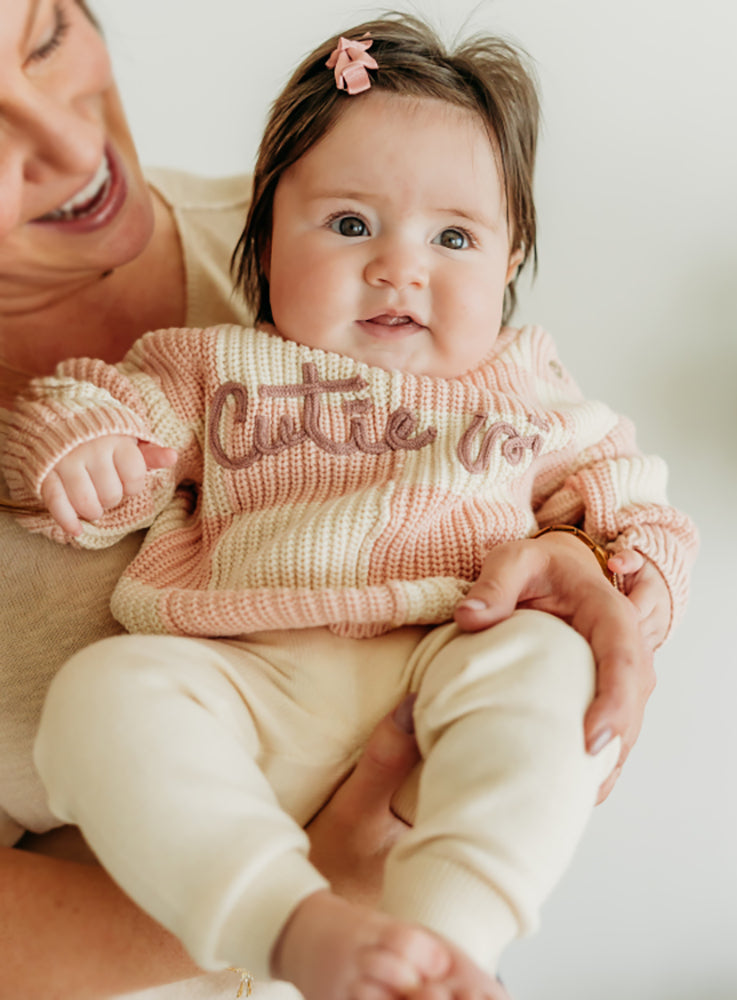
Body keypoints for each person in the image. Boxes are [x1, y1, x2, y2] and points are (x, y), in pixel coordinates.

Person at [2, 13, 698, 1000]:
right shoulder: (213, 364)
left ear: (505, 265)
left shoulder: (529, 389)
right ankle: (286, 922)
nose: (399, 267)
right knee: (106, 696)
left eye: (453, 237)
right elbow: (89, 404)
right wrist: (83, 451)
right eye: (348, 225)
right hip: (253, 683)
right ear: (264, 238)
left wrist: (620, 579)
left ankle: (450, 937)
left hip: (448, 652)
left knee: (546, 664)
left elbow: (636, 505)